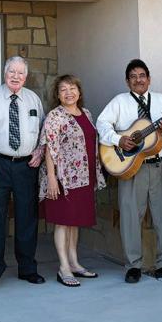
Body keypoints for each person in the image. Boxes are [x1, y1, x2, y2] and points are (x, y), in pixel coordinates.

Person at [96, 59, 162, 283]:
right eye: (133, 77)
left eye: (142, 75)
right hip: (132, 167)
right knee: (130, 217)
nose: (138, 80)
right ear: (127, 81)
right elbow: (101, 124)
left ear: (149, 79)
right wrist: (118, 139)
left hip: (160, 165)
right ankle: (133, 265)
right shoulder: (119, 101)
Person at [0, 56, 44, 289]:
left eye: (20, 73)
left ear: (26, 76)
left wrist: (40, 150)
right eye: (11, 72)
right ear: (5, 73)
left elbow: (43, 130)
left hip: (27, 166)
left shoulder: (33, 98)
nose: (16, 76)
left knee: (27, 217)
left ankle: (27, 268)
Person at [39, 75, 106, 287]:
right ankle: (64, 267)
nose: (69, 93)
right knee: (63, 221)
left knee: (74, 221)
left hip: (84, 177)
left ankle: (75, 263)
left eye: (72, 88)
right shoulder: (55, 116)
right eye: (63, 90)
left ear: (79, 91)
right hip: (64, 179)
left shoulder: (86, 113)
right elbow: (49, 148)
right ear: (57, 95)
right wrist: (52, 178)